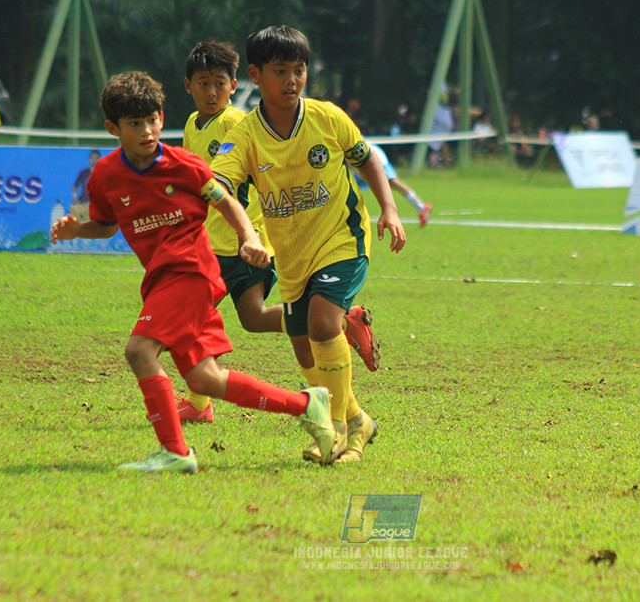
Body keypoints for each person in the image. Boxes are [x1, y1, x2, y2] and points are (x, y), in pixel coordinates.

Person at [50, 70, 338, 472]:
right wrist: (77, 230)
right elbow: (106, 224)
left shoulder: (183, 164)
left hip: (190, 269)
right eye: (134, 124)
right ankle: (307, 404)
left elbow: (227, 201)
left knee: (139, 351)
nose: (147, 131)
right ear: (113, 128)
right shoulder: (106, 175)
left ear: (161, 118)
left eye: (152, 120)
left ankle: (175, 452)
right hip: (162, 278)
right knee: (205, 380)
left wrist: (248, 237)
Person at [213, 26, 407, 464]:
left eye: (299, 70)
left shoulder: (327, 117)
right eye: (280, 71)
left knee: (321, 325)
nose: (292, 80)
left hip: (343, 238)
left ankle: (335, 432)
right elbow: (218, 184)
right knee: (304, 346)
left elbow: (367, 159)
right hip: (292, 256)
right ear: (256, 75)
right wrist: (246, 233)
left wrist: (389, 209)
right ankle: (358, 420)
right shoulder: (245, 135)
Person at [177, 38, 380, 424]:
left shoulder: (238, 124)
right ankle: (340, 329)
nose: (212, 92)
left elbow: (230, 184)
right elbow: (203, 181)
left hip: (246, 242)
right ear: (188, 86)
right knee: (252, 319)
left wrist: (248, 235)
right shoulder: (193, 125)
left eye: (219, 83)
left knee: (197, 318)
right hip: (216, 242)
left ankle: (200, 404)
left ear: (235, 84)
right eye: (203, 83)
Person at [353, 141, 432, 228]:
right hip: (370, 156)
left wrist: (358, 170)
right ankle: (420, 206)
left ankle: (420, 206)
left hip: (373, 157)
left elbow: (354, 149)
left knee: (392, 182)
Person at [69, 150, 101, 221]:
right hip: (84, 203)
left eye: (96, 158)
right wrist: (75, 197)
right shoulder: (84, 173)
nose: (94, 160)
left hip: (97, 206)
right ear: (90, 159)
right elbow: (75, 187)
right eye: (93, 158)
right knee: (84, 224)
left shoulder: (103, 173)